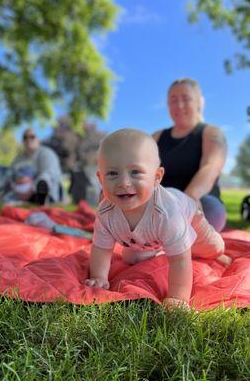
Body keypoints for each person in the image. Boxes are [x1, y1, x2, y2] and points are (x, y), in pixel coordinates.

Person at [84, 129, 231, 309]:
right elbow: (101, 248)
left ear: (156, 177)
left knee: (210, 247)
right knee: (131, 257)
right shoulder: (106, 211)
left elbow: (179, 261)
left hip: (188, 213)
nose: (123, 182)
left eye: (135, 172)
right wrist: (99, 277)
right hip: (146, 238)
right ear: (100, 179)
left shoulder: (166, 213)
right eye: (113, 173)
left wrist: (178, 298)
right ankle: (166, 246)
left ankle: (214, 252)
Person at [152, 78, 227, 232]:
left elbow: (211, 166)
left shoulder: (211, 133)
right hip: (160, 204)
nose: (179, 105)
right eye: (173, 100)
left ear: (199, 102)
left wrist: (189, 198)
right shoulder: (156, 137)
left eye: (186, 99)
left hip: (199, 203)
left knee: (213, 210)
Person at [2, 128, 63, 204]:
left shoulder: (47, 153)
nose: (28, 140)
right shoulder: (18, 158)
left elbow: (48, 173)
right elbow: (10, 174)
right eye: (25, 137)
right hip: (18, 191)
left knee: (43, 181)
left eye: (32, 137)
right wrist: (15, 187)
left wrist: (31, 189)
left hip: (41, 190)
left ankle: (41, 197)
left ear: (38, 139)